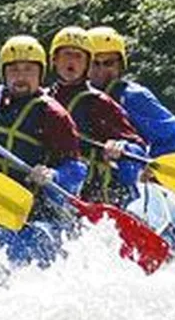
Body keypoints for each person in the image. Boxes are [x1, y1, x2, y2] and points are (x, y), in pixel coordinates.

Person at [0, 35, 86, 218]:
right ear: (4, 74)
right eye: (13, 70)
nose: (21, 77)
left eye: (28, 70)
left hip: (31, 214)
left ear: (40, 74)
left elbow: (76, 170)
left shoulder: (53, 114)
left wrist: (53, 175)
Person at [47, 26, 147, 206]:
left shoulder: (99, 102)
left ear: (87, 64)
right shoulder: (45, 99)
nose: (72, 61)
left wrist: (122, 147)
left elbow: (138, 147)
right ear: (54, 60)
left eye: (78, 56)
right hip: (58, 190)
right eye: (66, 55)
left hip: (98, 196)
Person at [87, 26, 175, 157]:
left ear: (120, 65)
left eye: (108, 63)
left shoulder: (133, 96)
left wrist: (151, 168)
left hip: (126, 167)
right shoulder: (74, 95)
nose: (101, 70)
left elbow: (172, 136)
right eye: (94, 63)